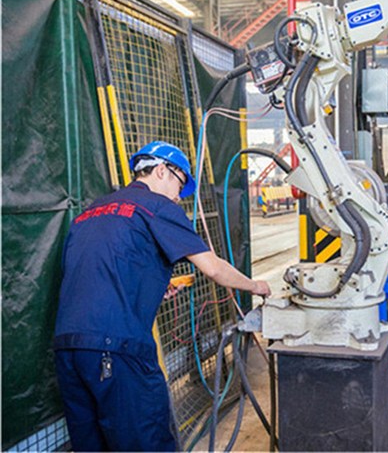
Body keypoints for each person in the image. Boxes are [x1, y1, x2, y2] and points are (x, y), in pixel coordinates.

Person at [53, 141, 271, 451]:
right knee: (147, 441)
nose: (177, 198)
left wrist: (151, 285)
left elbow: (96, 272)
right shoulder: (156, 206)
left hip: (68, 350)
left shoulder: (90, 212)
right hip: (117, 349)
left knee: (91, 445)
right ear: (161, 170)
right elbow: (213, 269)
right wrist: (255, 286)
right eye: (179, 186)